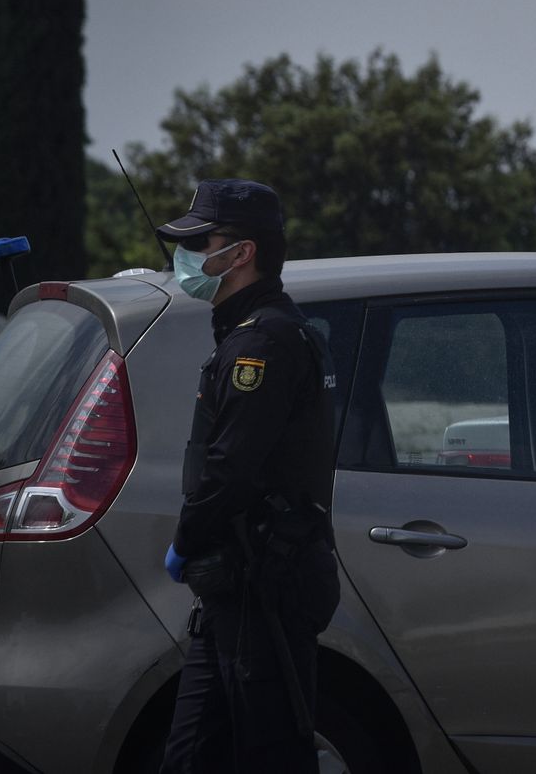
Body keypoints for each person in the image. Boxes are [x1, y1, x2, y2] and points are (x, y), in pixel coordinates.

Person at [156, 179, 340, 773]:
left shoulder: (262, 343)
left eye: (198, 242)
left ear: (241, 253)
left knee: (272, 759)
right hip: (234, 594)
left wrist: (184, 541)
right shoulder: (248, 334)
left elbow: (230, 470)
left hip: (265, 587)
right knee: (187, 760)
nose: (183, 258)